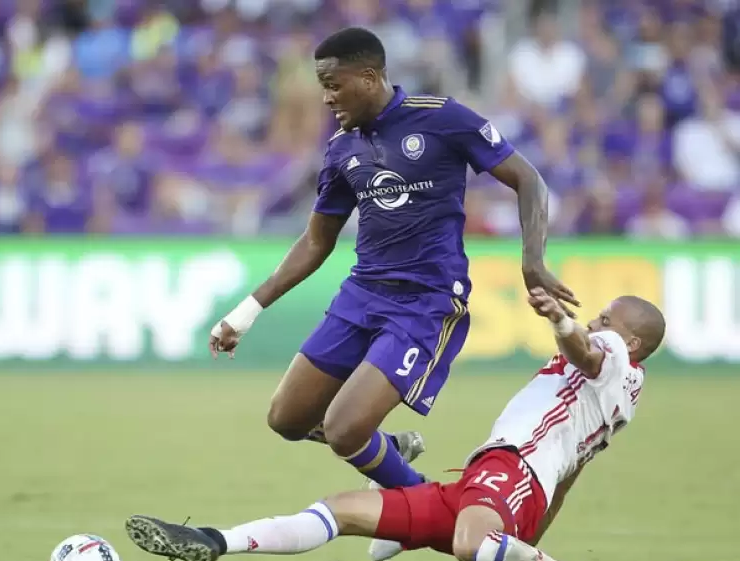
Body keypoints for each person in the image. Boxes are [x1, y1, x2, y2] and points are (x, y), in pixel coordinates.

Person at [127, 289, 667, 561]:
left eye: (605, 320)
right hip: (494, 481)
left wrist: (561, 320)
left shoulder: (612, 358)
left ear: (631, 343)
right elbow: (567, 478)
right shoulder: (615, 397)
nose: (596, 323)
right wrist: (525, 546)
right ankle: (215, 540)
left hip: (512, 473)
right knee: (340, 510)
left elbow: (585, 351)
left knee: (472, 546)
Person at [207, 27, 578, 495]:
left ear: (369, 77)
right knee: (287, 418)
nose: (326, 98)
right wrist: (246, 311)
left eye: (333, 85)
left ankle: (427, 509)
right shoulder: (342, 148)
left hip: (426, 300)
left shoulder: (442, 118)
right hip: (362, 294)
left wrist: (532, 261)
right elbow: (316, 241)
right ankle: (387, 450)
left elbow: (528, 179)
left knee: (344, 430)